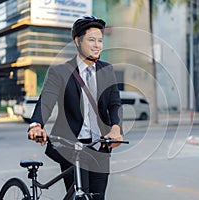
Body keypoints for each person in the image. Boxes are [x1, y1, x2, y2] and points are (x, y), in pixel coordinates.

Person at [28, 16, 123, 200]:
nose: (97, 45)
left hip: (100, 147)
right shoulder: (60, 72)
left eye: (100, 40)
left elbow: (114, 104)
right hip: (71, 147)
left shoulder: (107, 70)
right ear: (78, 41)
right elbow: (46, 100)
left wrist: (116, 128)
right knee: (78, 196)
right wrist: (36, 124)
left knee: (97, 197)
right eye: (91, 40)